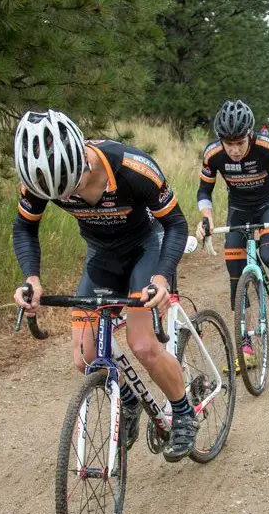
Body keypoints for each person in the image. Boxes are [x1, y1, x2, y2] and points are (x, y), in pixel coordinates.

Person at [11, 110, 199, 462]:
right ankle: (127, 401)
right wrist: (31, 277)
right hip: (103, 254)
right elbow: (24, 228)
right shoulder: (40, 179)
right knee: (85, 357)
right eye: (64, 194)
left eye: (76, 185)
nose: (75, 196)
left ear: (82, 158)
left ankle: (184, 412)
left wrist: (161, 276)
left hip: (148, 245)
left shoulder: (131, 166)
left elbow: (175, 223)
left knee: (142, 344)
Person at [196, 100, 269, 371]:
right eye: (228, 143)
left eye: (239, 143)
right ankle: (246, 347)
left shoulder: (266, 146)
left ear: (250, 135)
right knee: (236, 277)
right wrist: (207, 218)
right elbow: (204, 192)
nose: (233, 150)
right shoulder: (213, 154)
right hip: (239, 210)